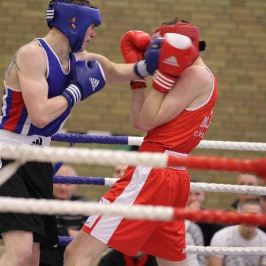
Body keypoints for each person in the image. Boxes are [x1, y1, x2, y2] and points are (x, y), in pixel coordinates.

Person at [0, 0, 162, 265]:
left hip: (39, 161)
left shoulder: (78, 59)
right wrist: (75, 92)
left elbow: (111, 71)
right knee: (19, 252)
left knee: (33, 256)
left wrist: (149, 66)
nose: (94, 34)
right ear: (74, 21)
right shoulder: (32, 54)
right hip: (9, 156)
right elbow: (40, 115)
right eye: (93, 26)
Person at [64, 18, 218, 266]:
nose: (158, 57)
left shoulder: (196, 74)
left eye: (161, 49)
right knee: (171, 262)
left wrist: (163, 76)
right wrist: (138, 78)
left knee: (76, 254)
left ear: (177, 46)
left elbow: (147, 120)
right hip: (171, 176)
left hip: (153, 172)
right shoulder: (188, 73)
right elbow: (139, 121)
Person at [39, 165, 90, 266]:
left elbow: (88, 237)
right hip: (43, 253)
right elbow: (37, 232)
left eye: (68, 183)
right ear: (51, 183)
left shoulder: (84, 204)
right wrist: (68, 232)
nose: (63, 187)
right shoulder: (40, 201)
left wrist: (58, 233)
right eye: (59, 182)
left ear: (75, 185)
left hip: (73, 253)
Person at [209, 199, 266, 266]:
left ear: (261, 217)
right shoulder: (221, 237)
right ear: (239, 216)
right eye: (246, 215)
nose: (250, 219)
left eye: (254, 216)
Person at [186, 174, 226, 247]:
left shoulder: (210, 220)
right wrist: (185, 216)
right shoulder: (173, 216)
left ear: (204, 196)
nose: (193, 199)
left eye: (197, 194)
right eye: (189, 194)